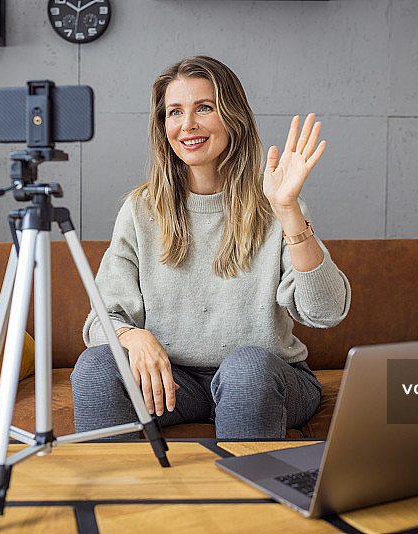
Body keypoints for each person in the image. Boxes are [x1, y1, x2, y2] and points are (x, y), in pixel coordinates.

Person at [71, 56, 350, 439]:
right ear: (162, 125)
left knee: (246, 369)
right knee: (97, 366)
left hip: (268, 378)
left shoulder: (279, 204)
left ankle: (245, 497)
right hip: (174, 383)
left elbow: (326, 312)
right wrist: (133, 336)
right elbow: (101, 320)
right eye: (174, 112)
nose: (187, 125)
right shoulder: (141, 210)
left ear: (233, 116)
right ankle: (115, 497)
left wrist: (288, 212)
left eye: (204, 107)